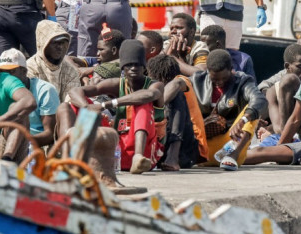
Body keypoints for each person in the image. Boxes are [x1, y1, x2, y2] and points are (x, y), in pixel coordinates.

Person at [69, 40, 165, 174]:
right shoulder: (116, 84)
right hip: (119, 149)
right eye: (129, 65)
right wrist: (86, 107)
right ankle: (73, 157)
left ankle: (137, 157)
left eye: (137, 65)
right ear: (122, 67)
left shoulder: (155, 85)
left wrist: (105, 105)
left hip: (146, 152)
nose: (133, 68)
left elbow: (149, 95)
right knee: (71, 106)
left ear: (144, 67)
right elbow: (75, 91)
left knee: (142, 102)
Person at [190, 50, 267, 171]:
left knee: (252, 109)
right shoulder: (196, 80)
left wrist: (243, 120)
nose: (220, 82)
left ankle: (233, 156)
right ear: (207, 71)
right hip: (201, 150)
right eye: (214, 79)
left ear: (232, 69)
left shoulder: (243, 81)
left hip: (231, 145)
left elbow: (259, 99)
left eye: (224, 78)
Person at [0, 49, 60, 147]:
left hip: (36, 145)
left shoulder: (45, 90)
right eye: (2, 72)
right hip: (4, 142)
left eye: (11, 72)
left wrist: (21, 143)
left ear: (24, 71)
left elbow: (50, 134)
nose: (6, 77)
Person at [148, 54, 200, 171]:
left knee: (177, 96)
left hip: (186, 150)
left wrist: (156, 106)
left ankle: (173, 157)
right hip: (161, 147)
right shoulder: (151, 88)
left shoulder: (181, 82)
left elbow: (176, 84)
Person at [258, 44, 301, 146]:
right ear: (287, 66)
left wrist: (269, 130)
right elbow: (279, 128)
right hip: (288, 137)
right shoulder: (272, 92)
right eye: (300, 66)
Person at [26, 20, 81, 101]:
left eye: (63, 43)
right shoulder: (29, 68)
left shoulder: (70, 71)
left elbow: (71, 102)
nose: (60, 47)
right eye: (56, 43)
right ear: (43, 43)